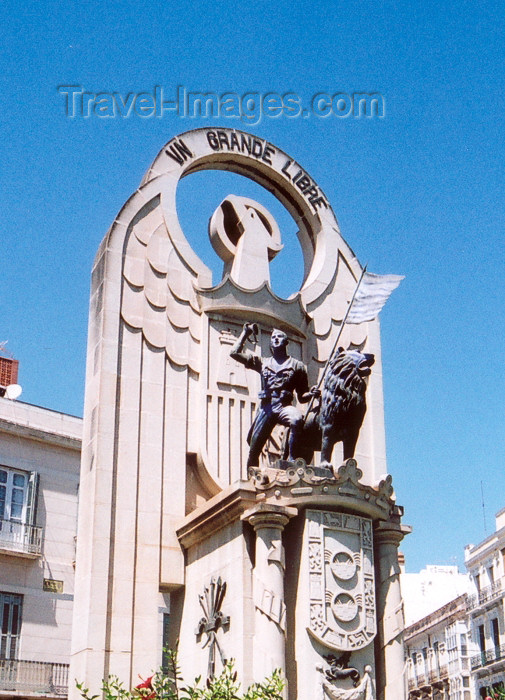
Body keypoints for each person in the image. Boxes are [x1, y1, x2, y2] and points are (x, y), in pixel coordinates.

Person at [230, 323, 319, 466]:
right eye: (273, 338)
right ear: (270, 343)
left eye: (279, 337)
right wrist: (245, 333)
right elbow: (234, 353)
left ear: (286, 342)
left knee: (296, 420)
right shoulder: (263, 362)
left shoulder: (298, 366)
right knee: (254, 447)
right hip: (267, 408)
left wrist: (312, 393)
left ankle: (291, 459)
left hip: (284, 407)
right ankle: (252, 473)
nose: (276, 339)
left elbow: (302, 397)